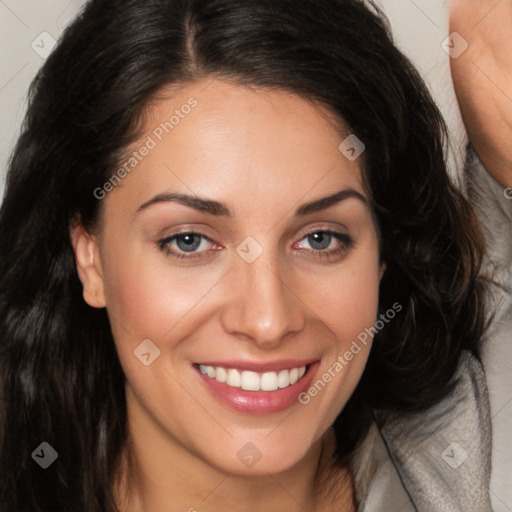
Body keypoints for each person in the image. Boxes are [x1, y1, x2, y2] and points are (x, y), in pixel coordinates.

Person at [0, 0, 492, 510]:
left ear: (383, 254)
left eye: (320, 239)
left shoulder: (467, 456)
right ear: (91, 258)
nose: (267, 321)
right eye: (188, 241)